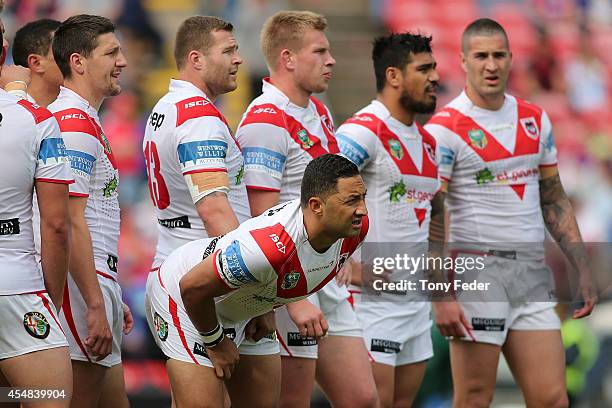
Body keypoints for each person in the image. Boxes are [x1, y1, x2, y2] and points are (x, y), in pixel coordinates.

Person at [424, 18, 596, 407]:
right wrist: (441, 294)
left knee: (552, 398)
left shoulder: (535, 119)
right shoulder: (444, 129)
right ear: (464, 61)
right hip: (478, 276)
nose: (491, 64)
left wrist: (580, 266)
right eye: (481, 56)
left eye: (498, 55)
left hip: (531, 274)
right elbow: (434, 216)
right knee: (474, 398)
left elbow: (553, 197)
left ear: (511, 59)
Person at [145, 154, 369, 408]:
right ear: (316, 206)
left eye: (363, 198)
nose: (362, 209)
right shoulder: (269, 249)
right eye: (351, 201)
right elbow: (192, 287)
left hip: (242, 304)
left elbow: (289, 276)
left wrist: (264, 307)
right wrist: (215, 341)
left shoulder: (355, 228)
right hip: (186, 297)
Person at [235, 11, 378, 407]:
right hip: (286, 279)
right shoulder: (265, 119)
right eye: (320, 51)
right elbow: (259, 219)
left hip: (324, 277)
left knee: (363, 399)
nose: (331, 60)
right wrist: (294, 298)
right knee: (291, 401)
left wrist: (342, 254)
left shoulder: (319, 113)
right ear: (288, 58)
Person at [142, 16, 275, 406]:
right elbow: (215, 212)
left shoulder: (168, 107)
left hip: (206, 273)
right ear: (196, 59)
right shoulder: (198, 118)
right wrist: (260, 294)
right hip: (198, 280)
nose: (239, 59)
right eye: (229, 51)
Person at [336, 32, 441, 407]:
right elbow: (316, 194)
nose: (434, 77)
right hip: (371, 304)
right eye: (424, 68)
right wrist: (350, 267)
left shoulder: (428, 142)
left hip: (414, 304)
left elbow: (433, 213)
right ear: (394, 76)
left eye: (434, 68)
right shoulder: (363, 130)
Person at [50, 15, 130, 408]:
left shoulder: (85, 119)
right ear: (78, 62)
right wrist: (95, 300)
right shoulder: (76, 124)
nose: (124, 61)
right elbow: (69, 218)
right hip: (82, 287)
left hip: (96, 281)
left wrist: (109, 291)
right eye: (112, 52)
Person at [0, 19, 73, 407]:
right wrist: (54, 302)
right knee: (49, 398)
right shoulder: (37, 118)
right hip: (16, 285)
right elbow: (57, 225)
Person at [12, 18, 63, 107]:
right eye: (64, 52)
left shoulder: (80, 111)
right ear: (36, 63)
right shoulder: (9, 113)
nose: (76, 61)